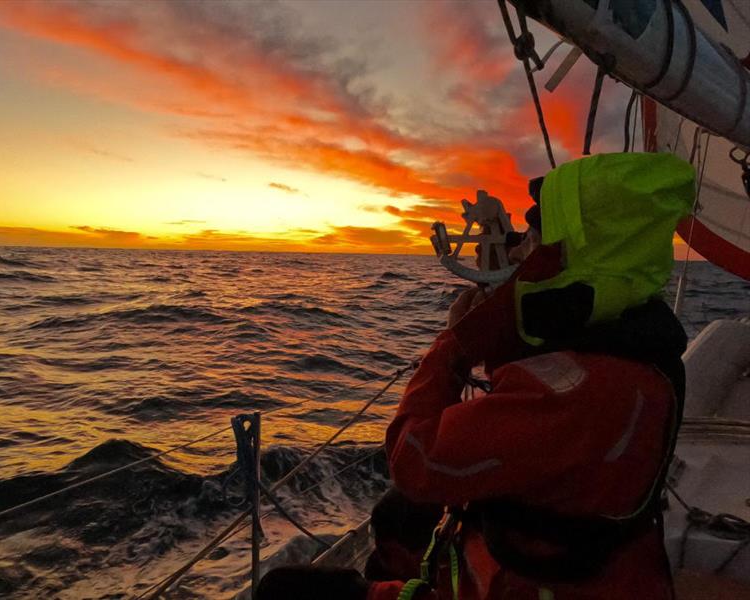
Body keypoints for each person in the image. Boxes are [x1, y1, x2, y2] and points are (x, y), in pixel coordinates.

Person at [258, 152, 695, 600]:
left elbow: (415, 461)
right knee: (394, 519)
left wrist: (454, 346)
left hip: (523, 587)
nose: (519, 250)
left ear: (571, 254)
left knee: (282, 591)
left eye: (533, 237)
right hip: (556, 574)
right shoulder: (631, 350)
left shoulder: (575, 391)